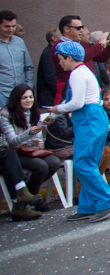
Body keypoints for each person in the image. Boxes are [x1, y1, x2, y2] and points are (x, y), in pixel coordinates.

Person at [50, 41, 110, 222]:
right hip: (94, 119)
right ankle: (88, 206)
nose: (59, 63)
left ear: (69, 57)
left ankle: (106, 201)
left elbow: (77, 103)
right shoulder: (83, 72)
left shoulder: (77, 74)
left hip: (88, 121)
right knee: (90, 163)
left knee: (82, 163)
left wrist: (57, 109)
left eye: (60, 59)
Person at [0, 83, 59, 215]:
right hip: (14, 152)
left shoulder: (32, 112)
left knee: (54, 162)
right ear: (17, 99)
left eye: (31, 97)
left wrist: (38, 143)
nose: (29, 100)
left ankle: (30, 196)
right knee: (41, 166)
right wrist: (30, 134)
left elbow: (34, 137)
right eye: (24, 98)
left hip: (27, 150)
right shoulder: (6, 115)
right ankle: (30, 197)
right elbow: (12, 141)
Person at [53, 15, 110, 104]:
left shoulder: (81, 44)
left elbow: (100, 58)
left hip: (85, 88)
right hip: (69, 88)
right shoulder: (59, 46)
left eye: (82, 27)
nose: (82, 30)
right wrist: (100, 44)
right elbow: (81, 58)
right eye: (79, 28)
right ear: (66, 29)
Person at [0, 11, 35, 103]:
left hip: (21, 95)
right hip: (2, 95)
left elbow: (28, 67)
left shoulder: (19, 42)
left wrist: (28, 87)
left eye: (13, 26)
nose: (11, 29)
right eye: (7, 26)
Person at [37, 29, 60, 109]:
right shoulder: (49, 53)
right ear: (54, 38)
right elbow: (51, 78)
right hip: (50, 100)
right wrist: (61, 94)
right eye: (61, 36)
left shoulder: (54, 51)